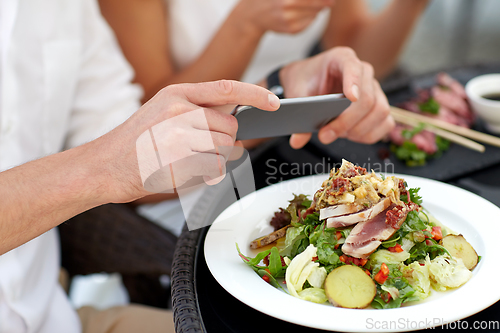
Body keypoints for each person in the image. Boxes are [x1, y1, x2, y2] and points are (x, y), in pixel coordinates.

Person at [0, 0, 392, 332]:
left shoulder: (65, 9)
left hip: (55, 316)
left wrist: (278, 92)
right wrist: (103, 169)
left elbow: (147, 163)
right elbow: (117, 162)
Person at [98, 0, 430, 103]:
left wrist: (410, 6)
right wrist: (248, 22)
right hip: (187, 173)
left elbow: (355, 50)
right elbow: (151, 110)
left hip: (290, 136)